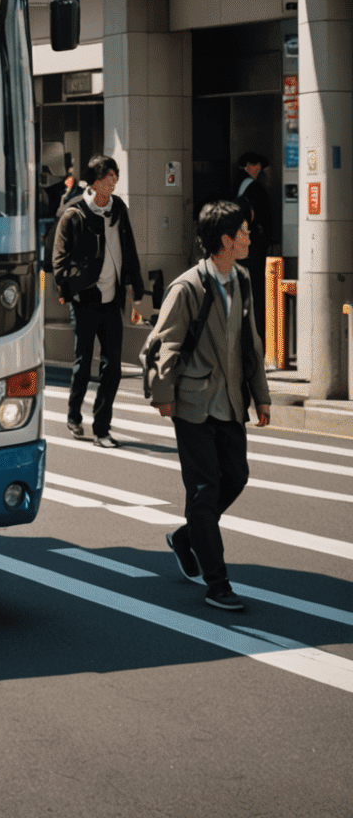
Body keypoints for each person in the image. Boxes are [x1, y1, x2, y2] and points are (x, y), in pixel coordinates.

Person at [149, 199, 272, 612]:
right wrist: (163, 396)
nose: (249, 236)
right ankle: (217, 584)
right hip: (194, 403)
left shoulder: (244, 280)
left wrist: (262, 396)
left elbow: (250, 345)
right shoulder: (187, 287)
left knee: (235, 477)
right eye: (244, 231)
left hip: (231, 402)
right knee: (203, 492)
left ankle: (186, 538)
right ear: (225, 240)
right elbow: (164, 344)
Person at [52, 155, 145, 446]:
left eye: (115, 176)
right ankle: (74, 415)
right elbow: (58, 262)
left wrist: (135, 288)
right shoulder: (74, 214)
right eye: (107, 177)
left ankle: (102, 427)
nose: (113, 181)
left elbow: (128, 248)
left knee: (112, 366)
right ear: (94, 181)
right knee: (83, 362)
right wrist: (80, 281)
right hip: (85, 300)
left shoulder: (118, 208)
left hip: (112, 299)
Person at [233, 152, 274, 343]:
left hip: (238, 251)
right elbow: (264, 219)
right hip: (255, 249)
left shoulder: (235, 186)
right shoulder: (255, 189)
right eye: (255, 165)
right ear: (248, 166)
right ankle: (259, 338)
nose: (258, 169)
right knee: (257, 292)